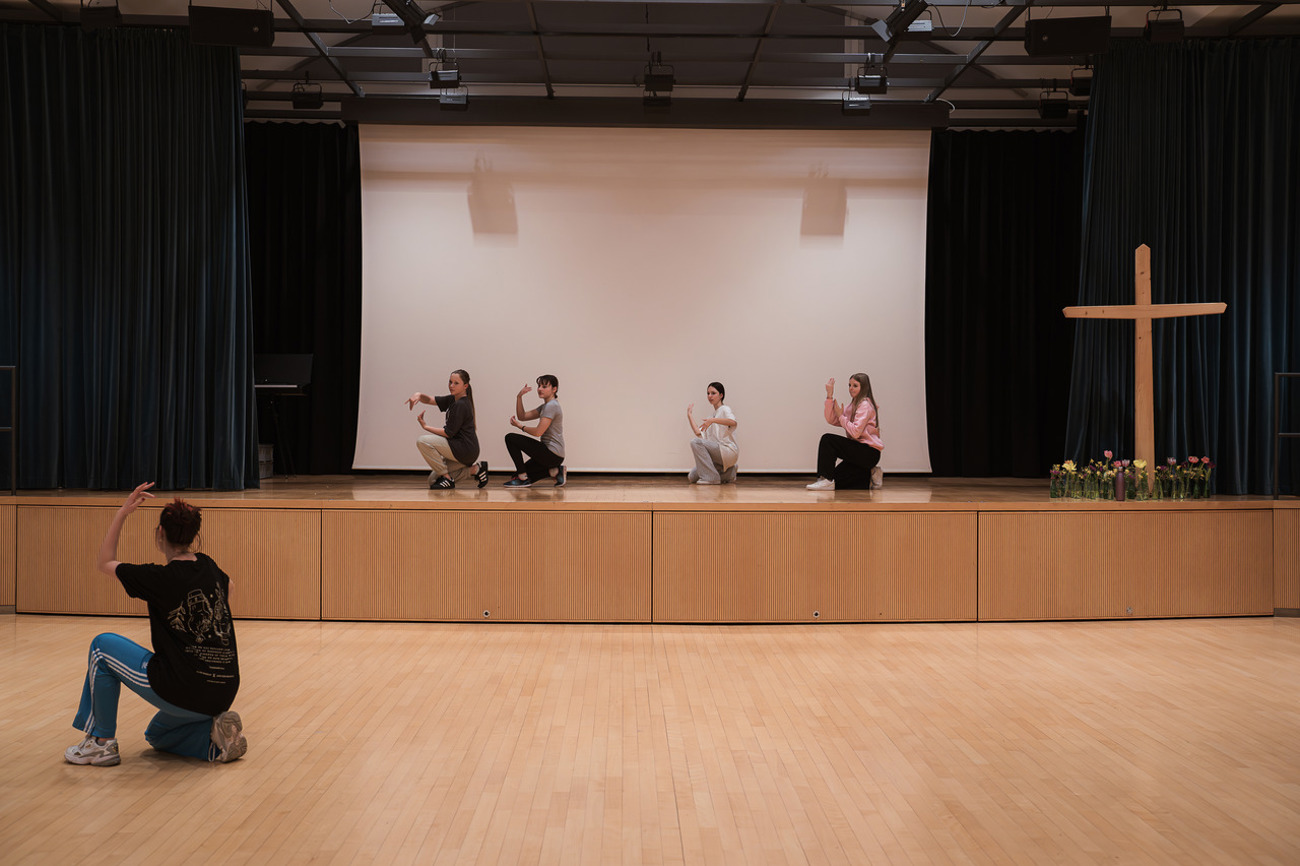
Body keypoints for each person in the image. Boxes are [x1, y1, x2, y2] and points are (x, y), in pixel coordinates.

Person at [65, 482, 247, 767]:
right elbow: (231, 587)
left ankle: (101, 744)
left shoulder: (159, 578)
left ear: (159, 533)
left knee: (101, 648)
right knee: (157, 735)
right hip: (223, 692)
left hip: (185, 686)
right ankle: (214, 744)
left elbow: (105, 562)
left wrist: (123, 513)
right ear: (193, 536)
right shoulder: (209, 566)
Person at [407, 369, 488, 490]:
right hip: (462, 450)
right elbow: (430, 400)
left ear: (465, 386)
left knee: (422, 441)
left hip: (464, 450)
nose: (451, 385)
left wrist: (425, 426)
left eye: (456, 383)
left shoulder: (461, 405)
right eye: (450, 382)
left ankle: (447, 479)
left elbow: (448, 433)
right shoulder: (453, 399)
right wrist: (418, 394)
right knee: (433, 480)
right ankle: (475, 469)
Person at [807, 373, 883, 491]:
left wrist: (841, 417)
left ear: (863, 387)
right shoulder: (853, 405)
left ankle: (826, 479)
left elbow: (855, 433)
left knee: (828, 440)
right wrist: (829, 396)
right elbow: (831, 419)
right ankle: (872, 472)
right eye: (849, 385)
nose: (851, 388)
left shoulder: (865, 405)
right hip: (859, 454)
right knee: (839, 481)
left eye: (855, 386)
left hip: (868, 452)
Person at [504, 374, 565, 488]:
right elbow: (522, 416)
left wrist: (520, 427)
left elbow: (538, 432)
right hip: (552, 456)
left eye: (544, 386)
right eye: (539, 386)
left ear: (554, 389)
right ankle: (555, 471)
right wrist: (519, 397)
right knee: (514, 475)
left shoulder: (551, 406)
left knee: (510, 438)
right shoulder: (545, 406)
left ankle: (523, 478)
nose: (540, 389)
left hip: (551, 453)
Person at [686, 382, 739, 485]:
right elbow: (698, 432)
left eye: (713, 393)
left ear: (721, 395)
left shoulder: (725, 409)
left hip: (728, 450)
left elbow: (733, 422)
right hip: (719, 454)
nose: (709, 396)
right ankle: (730, 472)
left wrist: (713, 420)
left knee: (695, 442)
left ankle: (711, 478)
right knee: (692, 476)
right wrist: (689, 415)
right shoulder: (712, 415)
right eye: (708, 393)